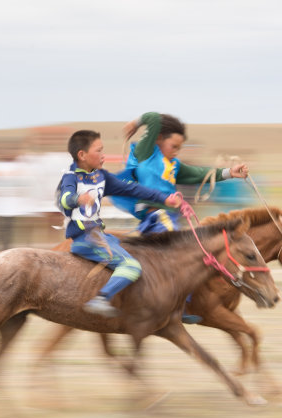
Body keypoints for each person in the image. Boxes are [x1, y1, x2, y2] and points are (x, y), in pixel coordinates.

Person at [111, 112, 249, 323]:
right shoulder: (146, 153)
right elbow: (154, 120)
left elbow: (200, 173)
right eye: (173, 146)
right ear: (158, 140)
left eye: (179, 148)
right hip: (158, 217)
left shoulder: (173, 165)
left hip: (167, 218)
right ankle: (180, 304)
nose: (176, 152)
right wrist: (136, 123)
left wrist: (231, 172)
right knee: (185, 255)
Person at [57, 130, 182, 318]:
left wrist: (165, 199)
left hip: (100, 236)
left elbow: (134, 189)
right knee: (131, 267)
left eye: (103, 150)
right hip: (85, 239)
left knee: (136, 253)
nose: (103, 155)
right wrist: (78, 198)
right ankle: (101, 299)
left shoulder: (101, 177)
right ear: (82, 155)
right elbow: (65, 199)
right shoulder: (70, 177)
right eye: (98, 150)